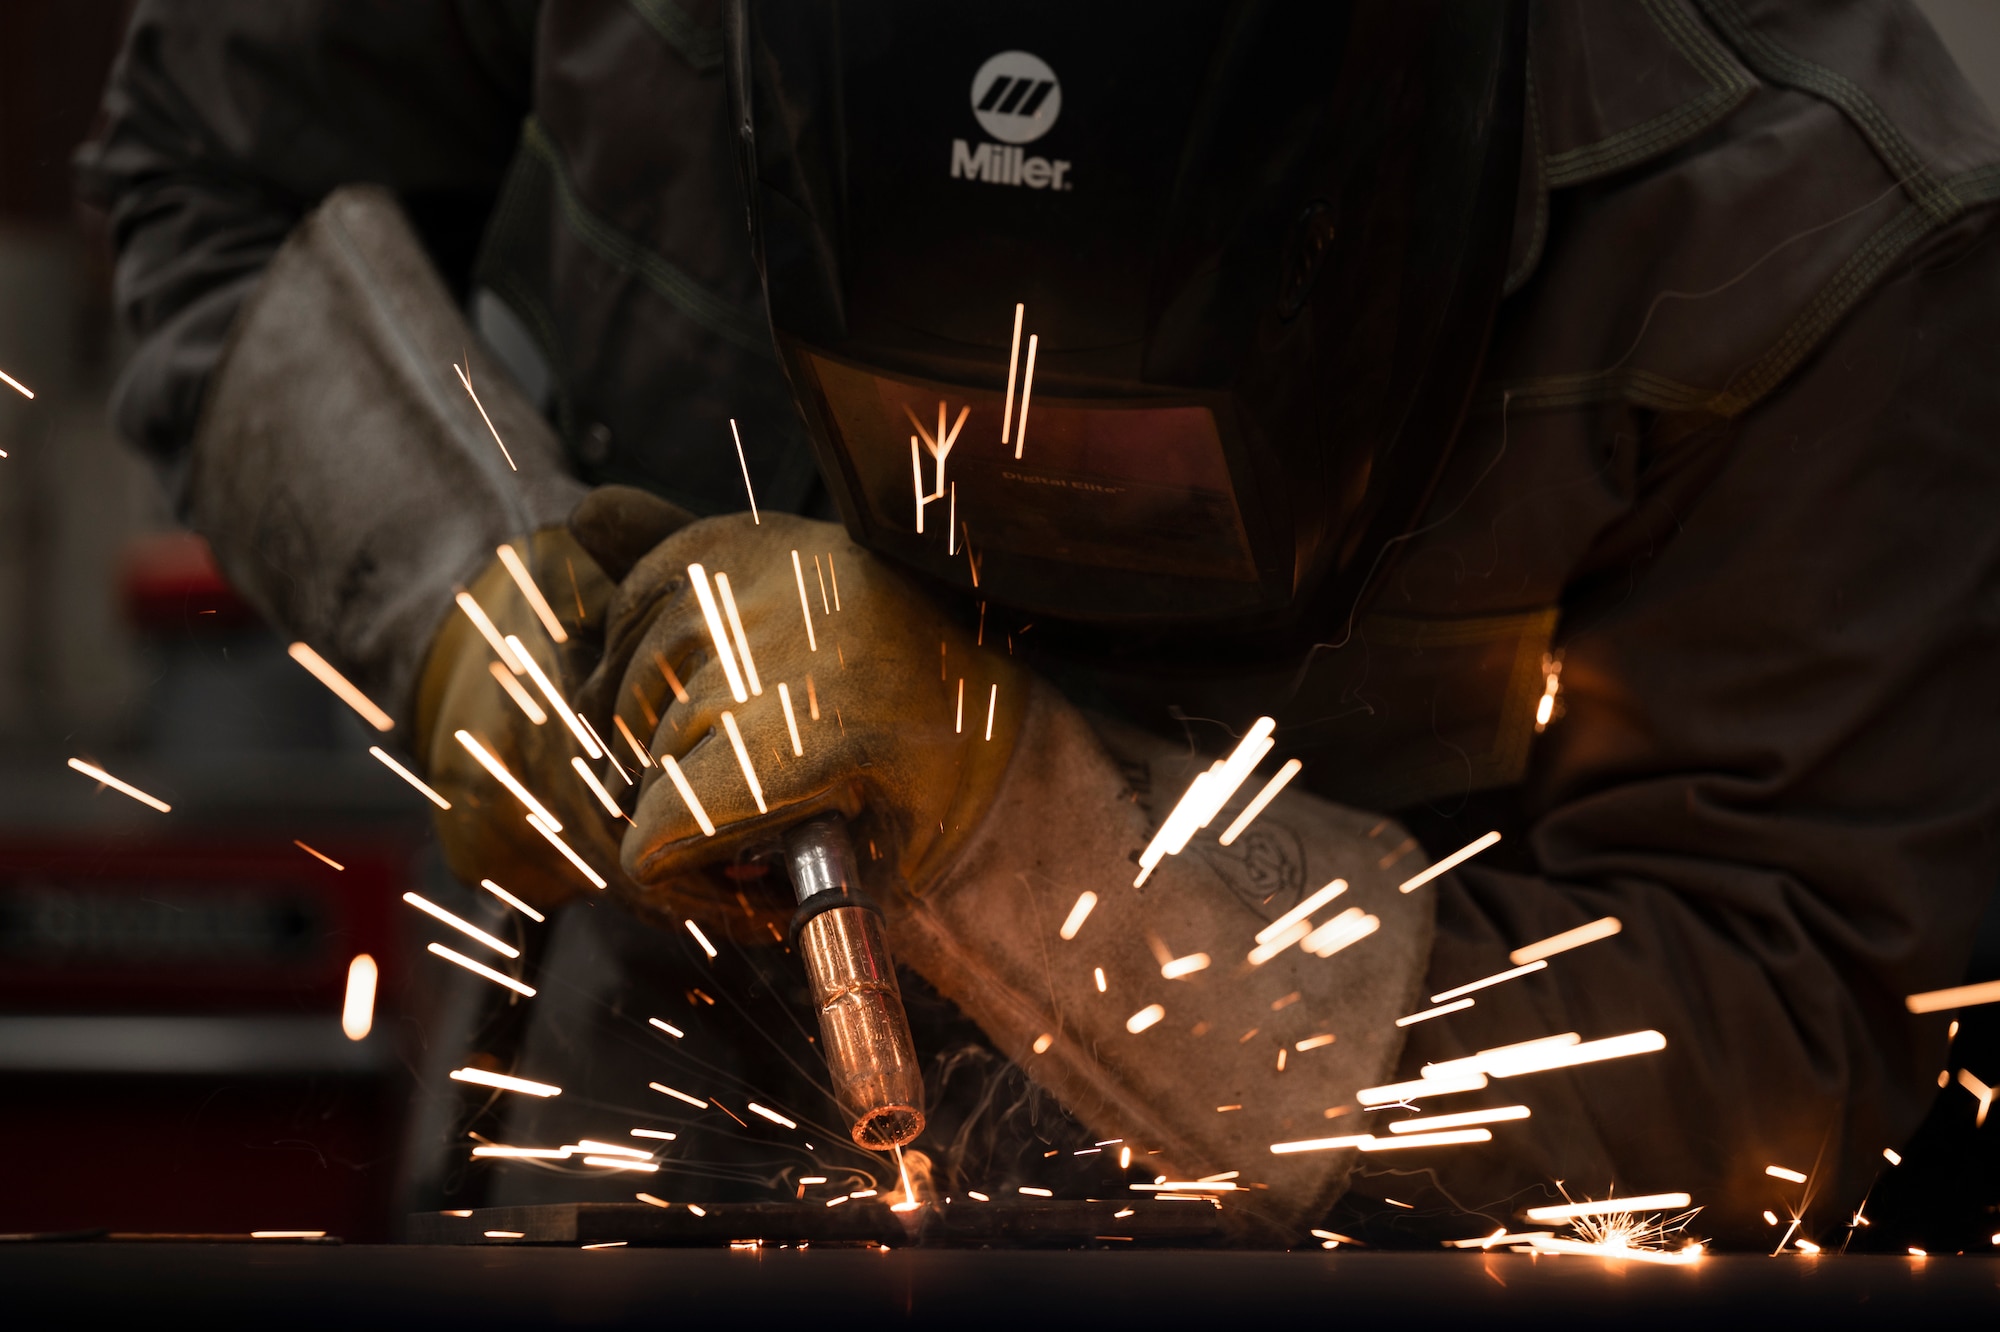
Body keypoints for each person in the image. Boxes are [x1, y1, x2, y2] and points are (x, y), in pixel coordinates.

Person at [77, 0, 2000, 1247]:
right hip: (617, 1199)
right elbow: (204, 167)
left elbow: (1780, 1025)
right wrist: (448, 593)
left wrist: (1026, 819)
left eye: (1119, 463)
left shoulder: (1806, 198)